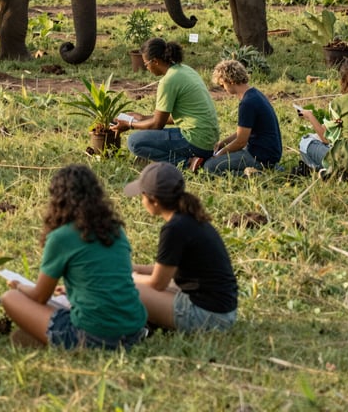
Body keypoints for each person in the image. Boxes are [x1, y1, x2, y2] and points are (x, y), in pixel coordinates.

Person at [1, 164, 147, 350]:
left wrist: (19, 285)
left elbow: (40, 297)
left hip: (93, 335)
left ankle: (55, 340)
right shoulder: (115, 230)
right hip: (134, 331)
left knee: (10, 297)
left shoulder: (61, 237)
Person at [125, 161, 238, 332]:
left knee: (125, 287)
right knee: (139, 281)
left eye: (142, 196)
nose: (141, 200)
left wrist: (130, 276)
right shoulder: (189, 217)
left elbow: (158, 283)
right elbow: (167, 270)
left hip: (210, 318)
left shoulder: (174, 229)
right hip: (222, 311)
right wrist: (136, 268)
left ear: (154, 200)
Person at [111, 38, 219, 167]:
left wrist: (130, 124)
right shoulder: (184, 69)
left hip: (195, 141)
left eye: (146, 64)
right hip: (209, 141)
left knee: (135, 142)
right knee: (145, 136)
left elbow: (157, 125)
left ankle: (188, 163)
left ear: (155, 61)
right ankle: (194, 158)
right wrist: (143, 118)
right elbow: (181, 115)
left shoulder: (168, 81)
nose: (147, 69)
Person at [296, 58, 348, 182]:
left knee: (306, 142)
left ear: (343, 80)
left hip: (347, 156)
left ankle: (335, 172)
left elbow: (326, 139)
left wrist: (310, 116)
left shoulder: (338, 104)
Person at [206, 59, 283, 174]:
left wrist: (218, 155)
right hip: (269, 153)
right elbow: (242, 132)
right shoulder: (254, 94)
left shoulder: (247, 103)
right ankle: (266, 167)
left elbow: (241, 141)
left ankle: (255, 173)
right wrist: (222, 144)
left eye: (223, 85)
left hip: (259, 156)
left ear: (231, 81)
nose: (223, 89)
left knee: (209, 167)